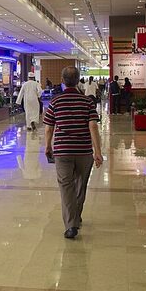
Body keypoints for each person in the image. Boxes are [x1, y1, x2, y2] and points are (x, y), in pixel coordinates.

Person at [43, 66, 103, 240]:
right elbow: (93, 126)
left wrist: (48, 146)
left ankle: (71, 225)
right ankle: (75, 217)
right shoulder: (87, 102)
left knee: (66, 187)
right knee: (80, 185)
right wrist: (97, 152)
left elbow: (49, 128)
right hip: (84, 151)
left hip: (62, 151)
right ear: (78, 81)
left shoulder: (55, 101)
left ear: (62, 80)